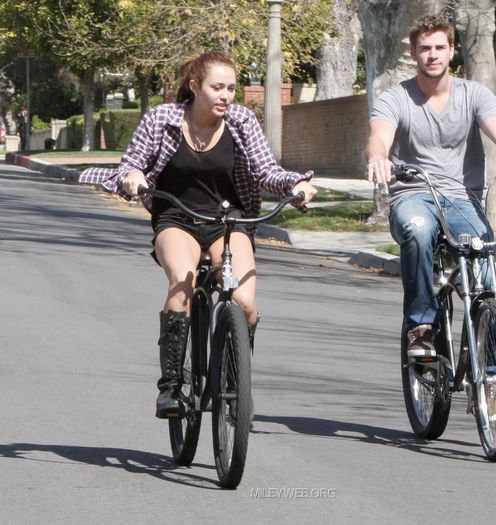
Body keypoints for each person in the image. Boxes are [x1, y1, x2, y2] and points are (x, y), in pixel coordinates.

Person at [79, 51, 317, 418]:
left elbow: (267, 169)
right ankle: (172, 388)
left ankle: (236, 378)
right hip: (176, 218)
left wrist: (295, 184)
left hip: (229, 221)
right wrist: (133, 177)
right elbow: (133, 163)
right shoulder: (163, 118)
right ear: (195, 86)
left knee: (246, 301)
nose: (226, 96)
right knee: (182, 284)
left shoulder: (241, 121)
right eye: (217, 87)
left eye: (232, 88)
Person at [366, 16, 496, 359]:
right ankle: (422, 326)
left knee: (487, 268)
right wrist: (378, 157)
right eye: (425, 49)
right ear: (415, 54)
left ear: (452, 52)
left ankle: (488, 341)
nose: (432, 55)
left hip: (462, 198)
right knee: (417, 232)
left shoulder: (474, 94)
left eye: (439, 48)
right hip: (413, 194)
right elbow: (379, 136)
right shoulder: (396, 97)